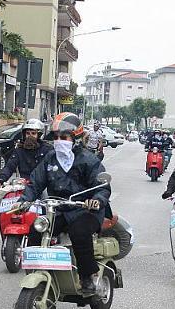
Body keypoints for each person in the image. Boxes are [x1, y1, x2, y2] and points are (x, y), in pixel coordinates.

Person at [17, 112, 111, 294]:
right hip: (58, 210)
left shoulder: (88, 160)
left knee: (79, 232)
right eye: (56, 137)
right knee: (36, 230)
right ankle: (37, 271)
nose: (59, 141)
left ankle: (87, 277)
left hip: (86, 211)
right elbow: (35, 183)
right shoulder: (50, 158)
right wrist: (23, 201)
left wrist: (96, 200)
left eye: (64, 137)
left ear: (75, 138)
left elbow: (103, 187)